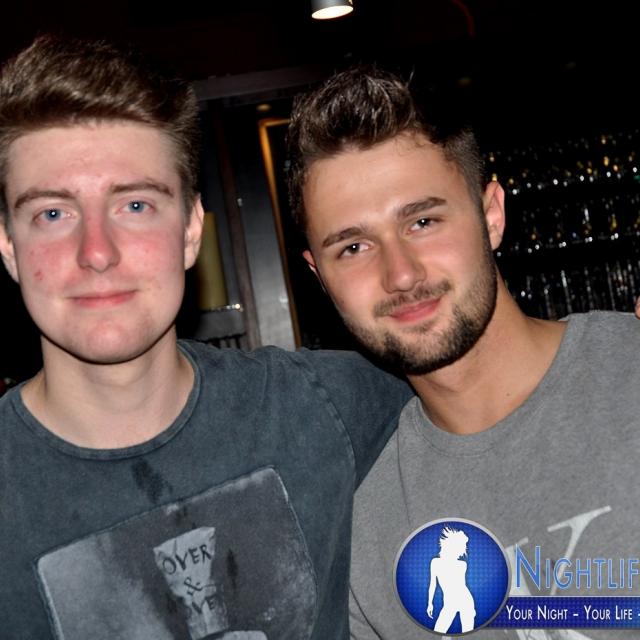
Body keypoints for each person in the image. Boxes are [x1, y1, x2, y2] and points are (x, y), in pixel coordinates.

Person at [0, 38, 413, 639]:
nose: (97, 252)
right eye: (53, 214)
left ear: (192, 230)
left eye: (135, 205)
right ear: (9, 245)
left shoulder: (329, 406)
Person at [287, 66, 640, 639]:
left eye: (423, 221)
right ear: (319, 277)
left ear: (491, 215)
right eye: (353, 247)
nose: (401, 274)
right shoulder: (354, 523)